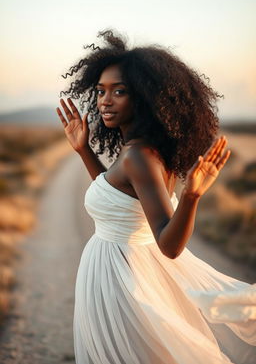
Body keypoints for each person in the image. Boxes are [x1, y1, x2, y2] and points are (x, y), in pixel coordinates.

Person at [56, 30, 256, 364]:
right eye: (101, 91)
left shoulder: (139, 156)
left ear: (145, 98)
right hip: (120, 275)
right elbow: (117, 202)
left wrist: (192, 196)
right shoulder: (141, 150)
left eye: (119, 91)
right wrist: (84, 151)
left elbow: (170, 245)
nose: (105, 100)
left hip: (122, 281)